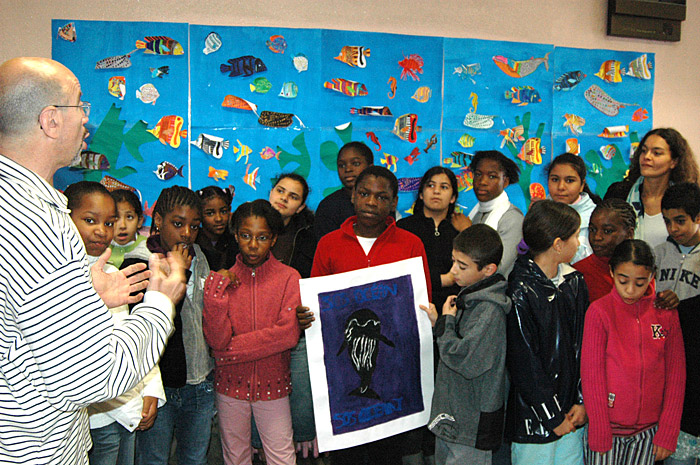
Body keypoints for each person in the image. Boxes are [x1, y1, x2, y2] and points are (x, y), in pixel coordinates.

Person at [0, 56, 184, 465]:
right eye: (79, 105)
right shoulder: (36, 219)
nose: (87, 119)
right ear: (50, 120)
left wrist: (81, 291)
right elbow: (96, 376)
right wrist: (160, 302)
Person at [297, 165, 431, 465]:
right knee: (348, 456)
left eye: (382, 197)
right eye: (365, 194)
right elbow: (318, 303)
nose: (372, 202)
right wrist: (306, 317)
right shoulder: (329, 243)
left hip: (394, 376)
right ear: (353, 197)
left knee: (388, 454)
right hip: (343, 377)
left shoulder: (410, 245)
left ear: (394, 202)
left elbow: (421, 304)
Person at [65, 181, 166, 465]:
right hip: (94, 414)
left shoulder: (111, 271)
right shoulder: (59, 276)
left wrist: (150, 388)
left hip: (127, 404)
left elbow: (133, 332)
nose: (102, 230)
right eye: (89, 220)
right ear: (64, 218)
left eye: (108, 223)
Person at [203, 199, 300, 465]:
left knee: (282, 456)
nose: (253, 245)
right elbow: (216, 339)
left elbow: (287, 336)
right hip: (229, 387)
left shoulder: (290, 278)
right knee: (235, 457)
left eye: (262, 237)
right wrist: (215, 294)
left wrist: (225, 354)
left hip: (274, 385)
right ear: (235, 236)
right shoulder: (221, 280)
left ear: (274, 239)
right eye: (245, 236)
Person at [123, 186, 214, 465]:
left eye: (194, 226)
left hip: (200, 380)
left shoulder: (198, 254)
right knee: (153, 459)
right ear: (158, 220)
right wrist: (180, 273)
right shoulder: (140, 263)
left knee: (195, 458)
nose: (187, 233)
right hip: (159, 386)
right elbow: (155, 328)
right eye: (178, 223)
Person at [582, 239, 685, 465]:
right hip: (607, 430)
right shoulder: (599, 312)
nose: (630, 290)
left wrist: (668, 431)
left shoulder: (665, 313)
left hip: (649, 433)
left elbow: (676, 377)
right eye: (622, 281)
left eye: (640, 283)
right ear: (611, 272)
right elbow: (592, 377)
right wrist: (599, 429)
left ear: (652, 276)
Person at [506, 200, 588, 465]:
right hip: (535, 421)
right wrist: (551, 415)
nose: (579, 243)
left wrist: (581, 401)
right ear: (557, 244)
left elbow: (584, 348)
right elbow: (524, 362)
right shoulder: (519, 288)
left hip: (572, 415)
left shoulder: (574, 281)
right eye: (575, 236)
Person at [426, 224, 511, 465]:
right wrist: (439, 323)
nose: (453, 271)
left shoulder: (489, 309)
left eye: (462, 266)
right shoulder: (469, 296)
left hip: (471, 425)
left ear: (488, 269)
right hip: (454, 415)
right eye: (453, 261)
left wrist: (447, 323)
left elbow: (462, 358)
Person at [654, 183, 700, 465]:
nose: (673, 228)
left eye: (680, 221)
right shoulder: (658, 253)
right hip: (662, 348)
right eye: (667, 221)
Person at [605, 128, 700, 248]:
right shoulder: (618, 193)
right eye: (644, 151)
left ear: (674, 162)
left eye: (657, 153)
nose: (647, 157)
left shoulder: (686, 199)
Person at [398, 166, 470, 312]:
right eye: (431, 185)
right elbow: (400, 273)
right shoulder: (403, 228)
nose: (436, 191)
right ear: (421, 194)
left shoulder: (461, 229)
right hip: (412, 306)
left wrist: (468, 231)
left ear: (453, 198)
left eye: (444, 187)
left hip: (452, 310)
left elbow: (473, 271)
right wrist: (442, 280)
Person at [468, 150, 524, 277]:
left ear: (505, 181)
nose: (482, 181)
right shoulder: (476, 213)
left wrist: (466, 231)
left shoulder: (512, 218)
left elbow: (498, 269)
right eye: (478, 174)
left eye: (492, 176)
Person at [573, 199, 636, 303]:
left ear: (629, 234)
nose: (597, 237)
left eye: (607, 231)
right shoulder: (579, 274)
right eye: (592, 230)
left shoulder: (641, 269)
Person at [547, 152, 601, 264]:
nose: (561, 187)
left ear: (582, 185)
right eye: (555, 179)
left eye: (570, 181)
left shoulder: (594, 216)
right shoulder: (541, 211)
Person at [314, 141, 373, 241]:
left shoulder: (380, 202)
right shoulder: (328, 206)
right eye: (341, 165)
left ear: (370, 167)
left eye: (356, 163)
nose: (348, 169)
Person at [196, 185, 237, 270]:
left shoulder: (235, 240)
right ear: (199, 214)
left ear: (229, 210)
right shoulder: (195, 242)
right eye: (210, 213)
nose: (218, 218)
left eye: (223, 211)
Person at [109, 188, 147, 268]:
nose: (122, 225)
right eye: (115, 217)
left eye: (129, 217)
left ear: (140, 221)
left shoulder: (147, 248)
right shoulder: (100, 248)